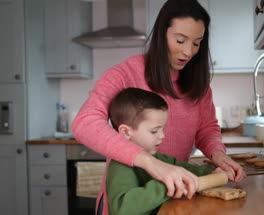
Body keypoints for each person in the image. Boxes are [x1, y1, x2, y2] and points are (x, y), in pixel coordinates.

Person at [71, 0, 246, 214]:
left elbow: (207, 129)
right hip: (132, 201)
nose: (189, 51)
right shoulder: (124, 74)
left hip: (176, 195)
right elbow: (85, 123)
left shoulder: (197, 84)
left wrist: (218, 154)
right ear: (161, 34)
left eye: (197, 43)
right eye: (180, 40)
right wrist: (150, 162)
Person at [106, 88, 222, 215]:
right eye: (154, 131)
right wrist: (168, 183)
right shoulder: (120, 166)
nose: (162, 136)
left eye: (162, 129)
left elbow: (183, 169)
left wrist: (212, 171)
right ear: (126, 132)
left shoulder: (159, 158)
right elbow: (122, 209)